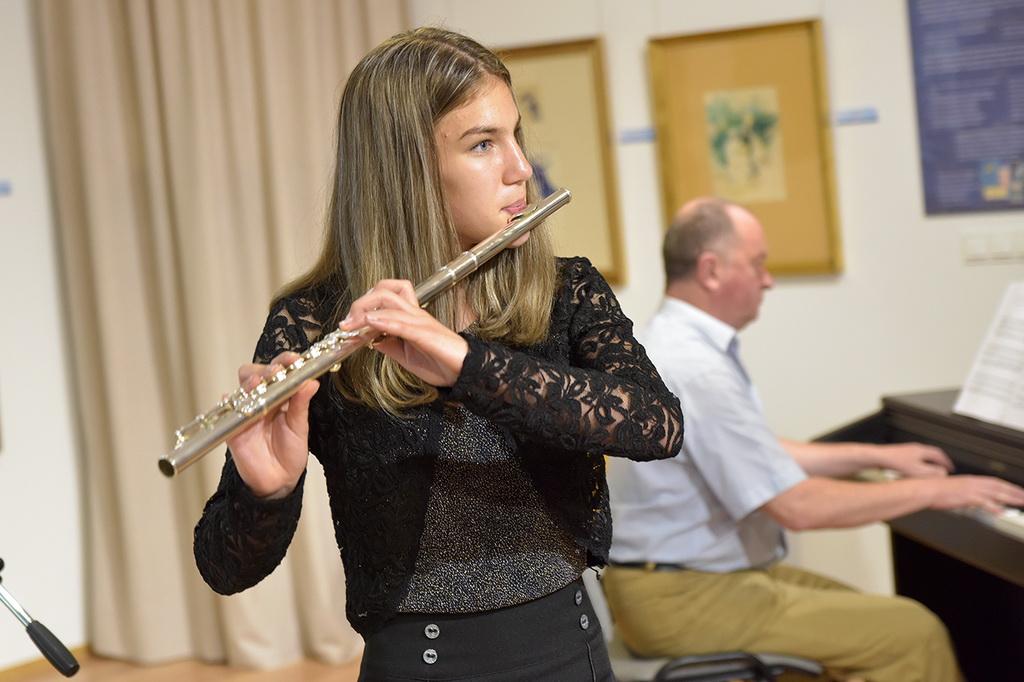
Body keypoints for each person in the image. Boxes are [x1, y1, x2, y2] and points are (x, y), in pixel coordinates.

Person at [191, 26, 684, 682]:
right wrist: (265, 492)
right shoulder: (314, 321)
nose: (520, 169)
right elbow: (224, 568)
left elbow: (657, 425)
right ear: (407, 172)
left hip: (571, 653)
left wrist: (464, 363)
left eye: (515, 136)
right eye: (483, 144)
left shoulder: (565, 290)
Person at [602, 197, 1024, 682]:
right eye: (758, 263)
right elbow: (797, 508)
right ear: (711, 270)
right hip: (683, 599)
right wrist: (935, 491)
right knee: (914, 633)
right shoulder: (696, 368)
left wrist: (876, 455)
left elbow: (756, 453)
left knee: (871, 617)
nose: (768, 280)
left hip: (671, 585)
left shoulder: (671, 343)